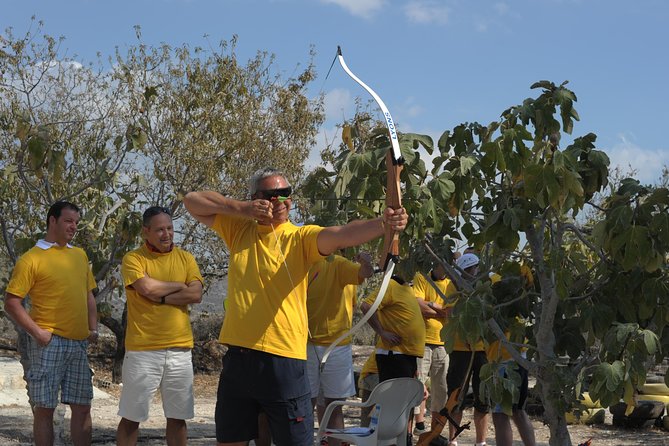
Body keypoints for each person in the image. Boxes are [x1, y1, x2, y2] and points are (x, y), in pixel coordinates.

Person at [183, 166, 408, 446]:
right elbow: (192, 201)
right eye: (271, 195)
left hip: (283, 360)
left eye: (285, 194)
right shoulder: (239, 228)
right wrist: (243, 209)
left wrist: (384, 224)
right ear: (256, 198)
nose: (280, 201)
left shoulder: (300, 238)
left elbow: (341, 234)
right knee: (231, 440)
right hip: (239, 358)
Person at [4, 201, 98, 446]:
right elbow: (12, 302)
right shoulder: (31, 259)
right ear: (52, 221)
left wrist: (93, 328)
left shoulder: (79, 255)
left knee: (83, 406)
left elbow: (88, 294)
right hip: (48, 344)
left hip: (78, 345)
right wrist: (37, 333)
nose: (73, 227)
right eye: (68, 221)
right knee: (44, 408)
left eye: (76, 223)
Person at [116, 206, 204, 446]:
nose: (166, 234)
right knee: (132, 417)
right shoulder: (133, 258)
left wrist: (162, 295)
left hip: (180, 350)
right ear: (146, 231)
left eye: (170, 228)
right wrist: (179, 285)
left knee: (178, 417)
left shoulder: (186, 258)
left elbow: (196, 293)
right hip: (143, 351)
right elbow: (146, 289)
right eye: (160, 230)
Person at [306, 252, 374, 446]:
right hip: (306, 343)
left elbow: (366, 273)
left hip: (338, 345)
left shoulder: (341, 264)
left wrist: (366, 261)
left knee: (334, 405)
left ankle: (333, 441)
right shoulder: (306, 261)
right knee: (305, 404)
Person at [446, 253, 489, 446]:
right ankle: (453, 439)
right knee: (456, 396)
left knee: (483, 397)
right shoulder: (452, 287)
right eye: (472, 270)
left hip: (482, 351)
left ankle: (481, 442)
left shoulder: (484, 288)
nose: (475, 273)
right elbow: (449, 313)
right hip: (460, 350)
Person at [412, 262, 457, 435]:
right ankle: (419, 426)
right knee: (418, 384)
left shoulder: (452, 284)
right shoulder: (422, 277)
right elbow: (418, 305)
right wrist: (441, 311)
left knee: (441, 388)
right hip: (422, 342)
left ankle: (436, 431)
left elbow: (452, 312)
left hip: (443, 343)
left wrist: (431, 305)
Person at [361, 276, 426, 382]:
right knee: (394, 396)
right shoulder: (390, 285)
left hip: (407, 354)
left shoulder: (407, 288)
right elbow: (366, 306)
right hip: (394, 353)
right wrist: (381, 332)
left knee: (403, 395)